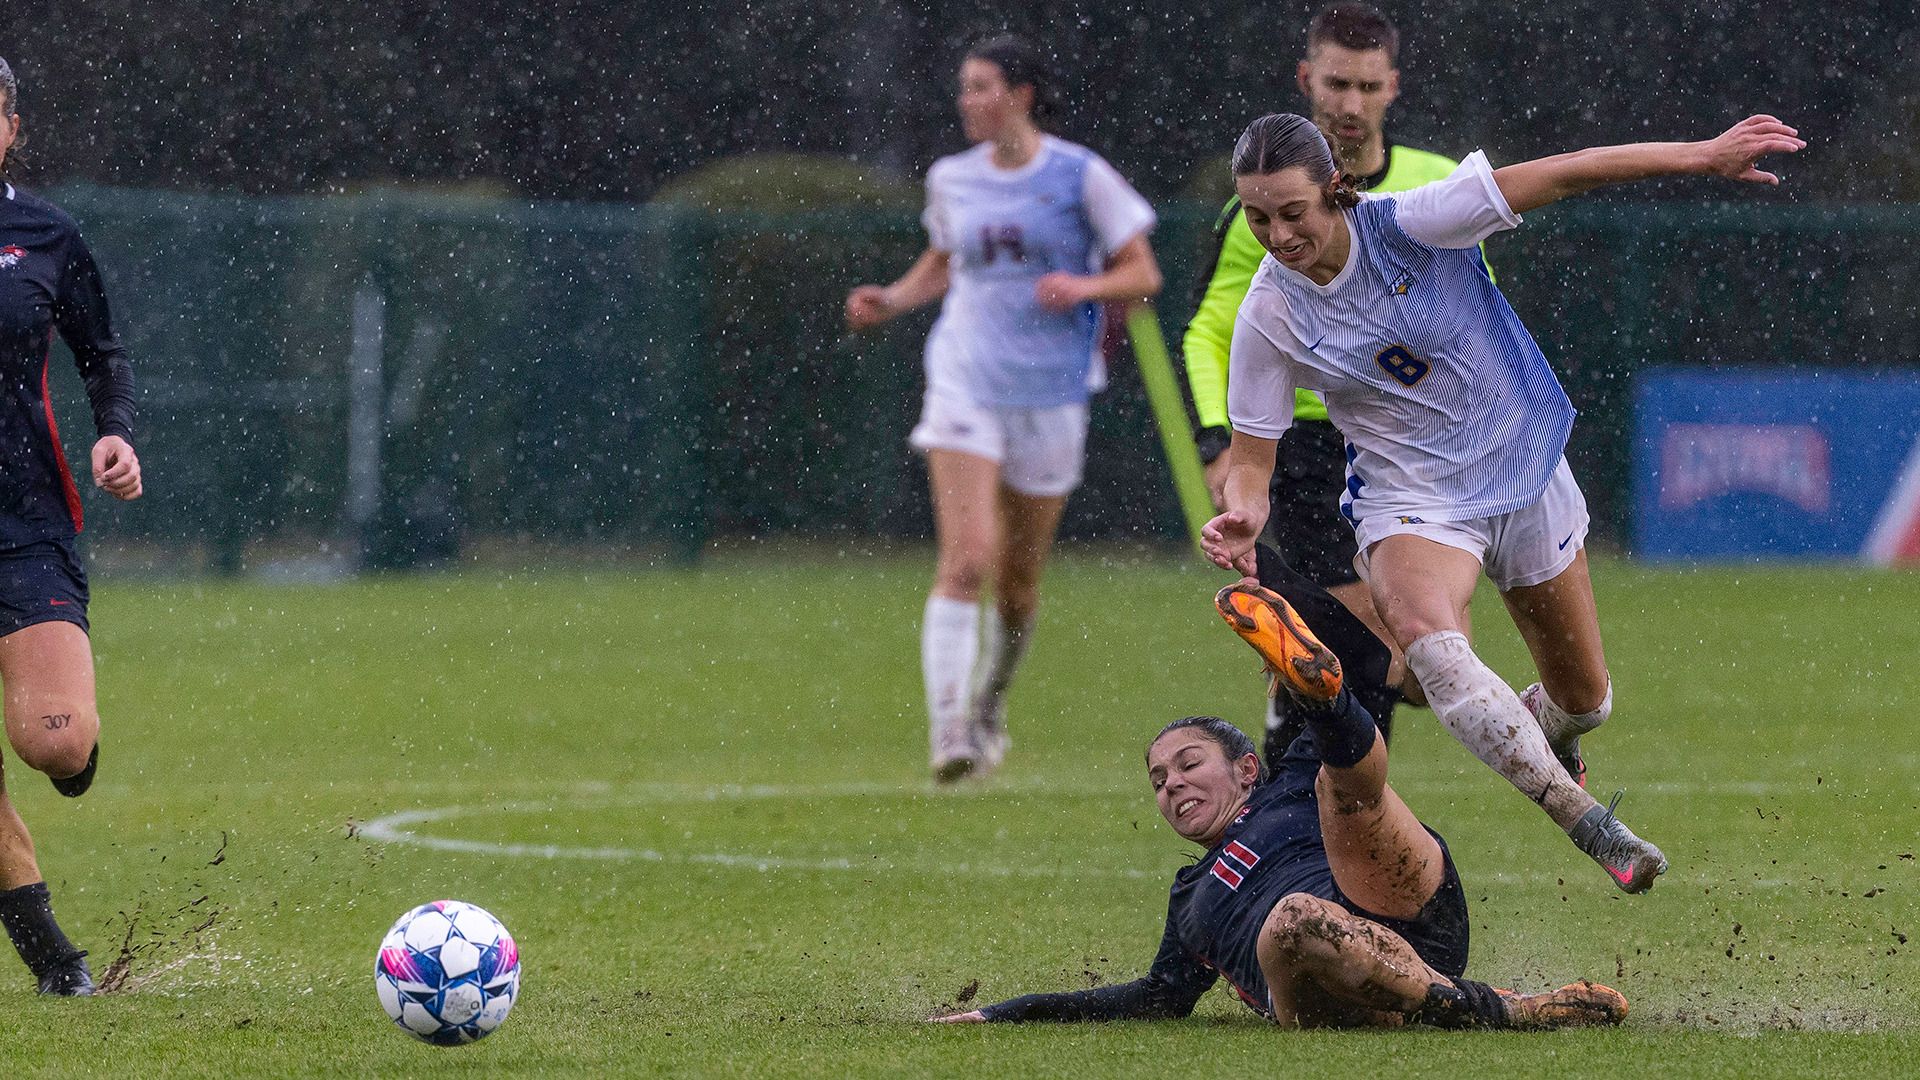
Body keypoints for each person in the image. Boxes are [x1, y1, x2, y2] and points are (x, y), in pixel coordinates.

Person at [1201, 111, 1804, 892]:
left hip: (1521, 466)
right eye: (1257, 216)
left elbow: (1566, 169)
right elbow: (1252, 459)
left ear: (1335, 190)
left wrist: (1703, 155)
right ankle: (1585, 819)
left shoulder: (1418, 222)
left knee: (1585, 700)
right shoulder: (1268, 314)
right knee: (1426, 637)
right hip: (1411, 498)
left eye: (1292, 212)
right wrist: (1245, 509)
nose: (1277, 235)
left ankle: (1550, 733)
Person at [934, 583, 1627, 1029]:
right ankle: (1500, 1011)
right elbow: (1153, 999)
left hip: (1407, 909)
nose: (1170, 785)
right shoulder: (1190, 896)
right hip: (1332, 992)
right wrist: (1004, 1014)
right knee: (1291, 921)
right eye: (1157, 781)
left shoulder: (1286, 784)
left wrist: (1280, 595)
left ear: (1244, 768)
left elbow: (1371, 666)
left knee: (1341, 783)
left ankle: (1321, 695)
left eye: (1186, 764)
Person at [845, 36, 1162, 782]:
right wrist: (889, 300)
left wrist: (1083, 289)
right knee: (966, 561)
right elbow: (943, 263)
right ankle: (948, 731)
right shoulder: (952, 179)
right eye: (963, 86)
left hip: (1051, 394)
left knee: (1017, 586)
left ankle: (989, 703)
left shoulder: (1080, 174)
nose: (966, 101)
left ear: (1019, 94)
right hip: (966, 379)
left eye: (980, 86)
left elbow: (1142, 270)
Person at [1185, 2, 1468, 766]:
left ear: (1392, 88)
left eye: (1366, 86)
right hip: (1310, 448)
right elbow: (1210, 331)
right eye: (1335, 83)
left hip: (1409, 449)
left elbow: (1473, 331)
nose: (1348, 104)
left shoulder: (1434, 188)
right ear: (1307, 80)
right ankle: (1309, 809)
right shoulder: (1266, 207)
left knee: (1416, 666)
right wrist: (1223, 443)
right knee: (1393, 651)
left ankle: (1292, 702)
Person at [0, 55, 144, 996]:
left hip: (25, 522)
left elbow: (103, 352)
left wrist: (118, 434)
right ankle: (54, 959)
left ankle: (75, 755)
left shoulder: (46, 233)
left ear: (10, 123)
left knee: (55, 741)